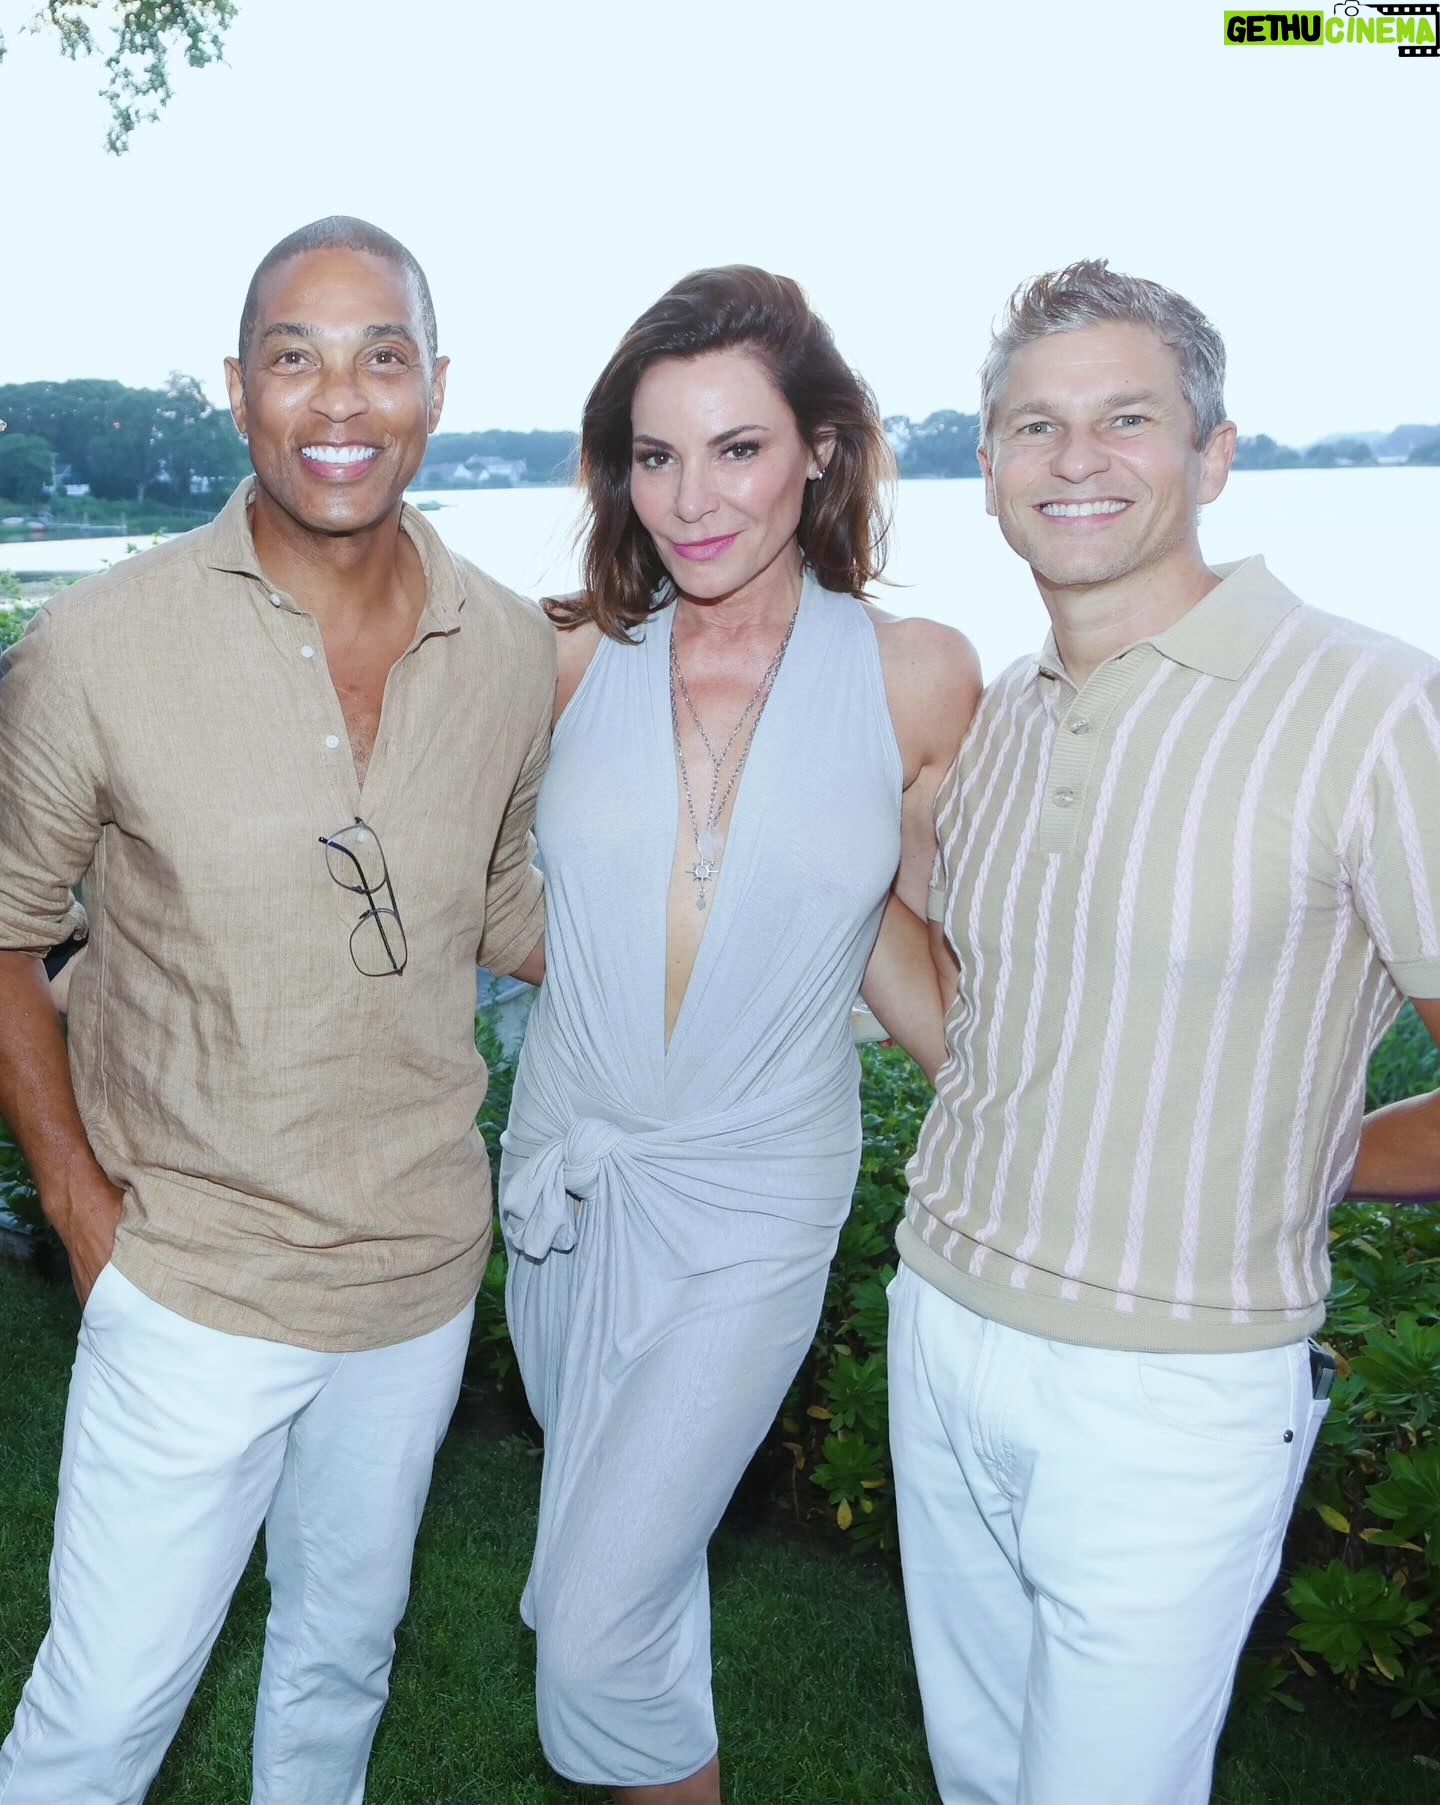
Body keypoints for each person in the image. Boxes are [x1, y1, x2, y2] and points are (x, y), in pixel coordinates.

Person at [0, 215, 553, 1805]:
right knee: (103, 1716)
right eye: (296, 358)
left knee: (339, 1662)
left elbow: (505, 907)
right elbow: (8, 932)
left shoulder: (511, 648)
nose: (341, 399)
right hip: (187, 1275)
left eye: (383, 356)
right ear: (237, 388)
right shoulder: (96, 645)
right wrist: (81, 1213)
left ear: (436, 386)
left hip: (416, 1276)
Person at [889, 258, 1440, 1805]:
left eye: (1126, 418)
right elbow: (982, 1037)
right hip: (941, 1321)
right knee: (978, 1779)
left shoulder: (1374, 707)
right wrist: (836, 872)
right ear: (989, 467)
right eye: (1035, 424)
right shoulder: (1004, 715)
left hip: (1176, 1389)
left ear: (1212, 454)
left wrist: (1323, 1155)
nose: (1076, 458)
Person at [498, 265, 979, 1804]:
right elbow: (465, 886)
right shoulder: (566, 658)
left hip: (760, 1189)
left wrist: (1031, 1121)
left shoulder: (918, 677)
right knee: (634, 1590)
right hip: (569, 1177)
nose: (691, 500)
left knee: (592, 1620)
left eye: (738, 448)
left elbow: (912, 954)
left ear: (821, 449)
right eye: (656, 456)